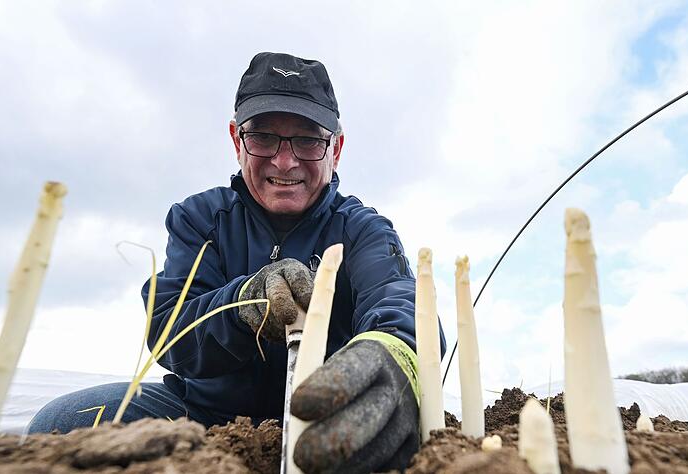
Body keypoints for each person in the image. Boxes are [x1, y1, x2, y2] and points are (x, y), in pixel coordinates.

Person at [28, 52, 446, 473]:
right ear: (236, 139)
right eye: (263, 137)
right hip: (199, 418)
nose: (285, 161)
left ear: (335, 148)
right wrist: (243, 304)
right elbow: (169, 329)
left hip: (327, 421)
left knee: (394, 429)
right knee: (60, 424)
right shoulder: (201, 220)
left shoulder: (362, 230)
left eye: (308, 140)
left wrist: (395, 353)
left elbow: (399, 302)